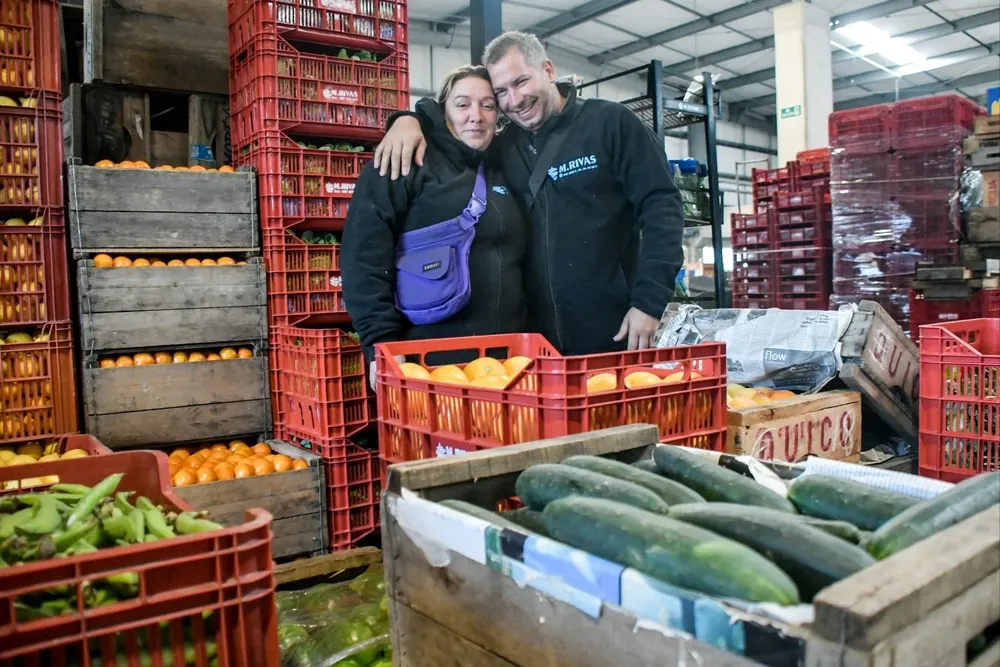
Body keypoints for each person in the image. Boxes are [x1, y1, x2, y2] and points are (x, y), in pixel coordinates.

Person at [373, 31, 685, 355]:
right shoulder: (503, 147)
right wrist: (407, 119)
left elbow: (662, 206)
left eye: (521, 82)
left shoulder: (611, 124)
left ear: (548, 70)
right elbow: (455, 124)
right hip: (534, 345)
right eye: (502, 92)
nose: (515, 100)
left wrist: (648, 303)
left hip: (614, 331)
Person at [341, 65, 528, 377]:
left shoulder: (502, 166)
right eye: (462, 103)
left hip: (507, 363)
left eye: (488, 105)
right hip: (428, 364)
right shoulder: (407, 158)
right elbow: (363, 257)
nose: (476, 115)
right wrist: (380, 343)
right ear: (443, 110)